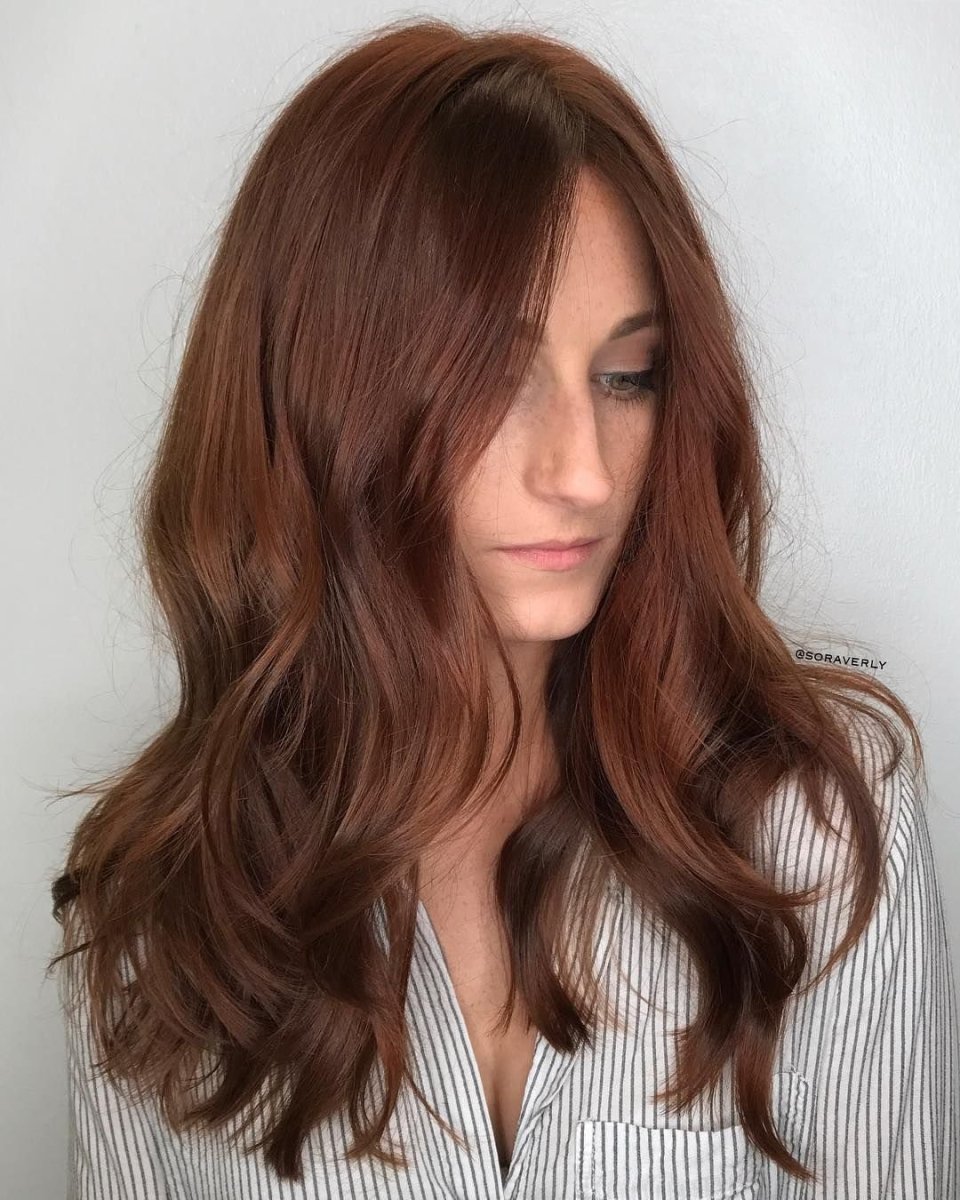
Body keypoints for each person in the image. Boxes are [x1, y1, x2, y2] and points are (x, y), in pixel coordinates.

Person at [48, 15, 958, 1199]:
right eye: (493, 380)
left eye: (626, 377)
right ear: (323, 401)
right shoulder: (163, 909)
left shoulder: (812, 825)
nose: (586, 471)